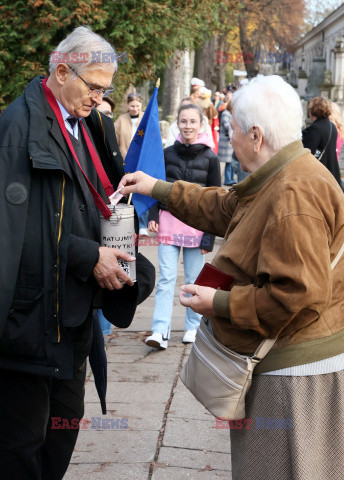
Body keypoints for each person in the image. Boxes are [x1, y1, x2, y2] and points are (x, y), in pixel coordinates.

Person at [119, 75, 344, 479]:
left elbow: (296, 295)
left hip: (295, 378)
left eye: (233, 130)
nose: (230, 139)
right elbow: (228, 207)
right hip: (288, 365)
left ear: (256, 136)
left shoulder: (294, 193)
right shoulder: (283, 173)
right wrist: (159, 188)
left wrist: (216, 302)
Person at [0, 26, 140, 480]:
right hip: (27, 325)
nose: (101, 99)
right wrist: (86, 255)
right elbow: (10, 238)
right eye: (95, 87)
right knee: (20, 448)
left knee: (62, 436)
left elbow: (90, 203)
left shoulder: (92, 125)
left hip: (73, 317)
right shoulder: (15, 130)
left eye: (107, 89)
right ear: (62, 72)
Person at [145, 103, 221, 349]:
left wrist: (209, 236)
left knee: (193, 279)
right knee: (166, 278)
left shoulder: (211, 158)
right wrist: (153, 214)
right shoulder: (167, 153)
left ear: (201, 125)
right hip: (169, 221)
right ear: (177, 123)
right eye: (183, 121)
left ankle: (193, 326)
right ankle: (159, 329)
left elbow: (216, 199)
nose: (187, 126)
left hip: (197, 227)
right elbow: (157, 186)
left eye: (192, 121)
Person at [114, 93, 148, 233]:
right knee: (127, 191)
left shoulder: (145, 119)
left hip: (142, 160)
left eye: (137, 106)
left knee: (142, 191)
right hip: (126, 160)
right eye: (132, 106)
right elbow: (115, 140)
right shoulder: (120, 121)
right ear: (128, 105)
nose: (135, 109)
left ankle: (143, 224)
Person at [302, 96, 342, 188]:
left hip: (320, 176)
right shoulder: (331, 126)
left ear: (312, 111)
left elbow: (307, 153)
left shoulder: (315, 129)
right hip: (332, 172)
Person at [218, 101, 235, 185]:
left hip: (228, 141)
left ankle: (230, 178)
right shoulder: (225, 113)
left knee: (230, 161)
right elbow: (226, 125)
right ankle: (228, 179)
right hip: (226, 141)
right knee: (228, 162)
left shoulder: (229, 113)